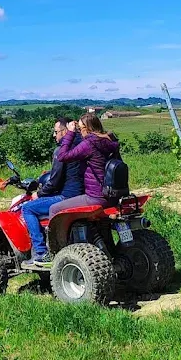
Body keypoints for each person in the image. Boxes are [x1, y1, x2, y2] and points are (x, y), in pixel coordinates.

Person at [20, 118, 85, 270]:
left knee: (28, 208)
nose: (54, 135)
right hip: (84, 194)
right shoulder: (83, 145)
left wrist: (39, 194)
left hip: (67, 196)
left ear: (64, 131)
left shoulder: (61, 150)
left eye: (55, 132)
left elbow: (54, 180)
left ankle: (41, 253)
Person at [48, 113, 120, 217]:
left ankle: (58, 234)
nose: (80, 132)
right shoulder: (109, 140)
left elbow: (62, 156)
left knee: (54, 209)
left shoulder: (89, 144)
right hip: (112, 196)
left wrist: (70, 133)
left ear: (87, 128)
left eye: (80, 129)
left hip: (96, 197)